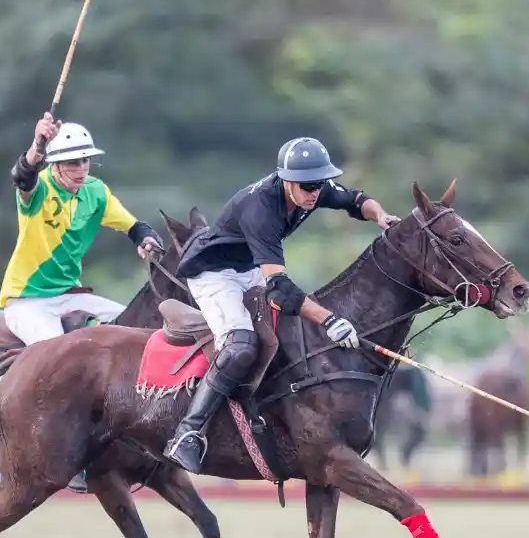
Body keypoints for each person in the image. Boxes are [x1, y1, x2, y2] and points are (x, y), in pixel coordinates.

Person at [162, 137, 400, 474]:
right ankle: (187, 432)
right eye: (306, 187)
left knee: (290, 336)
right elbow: (280, 291)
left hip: (248, 267)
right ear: (286, 180)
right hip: (216, 274)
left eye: (318, 184)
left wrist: (381, 216)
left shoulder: (313, 186)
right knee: (241, 345)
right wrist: (329, 319)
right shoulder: (261, 209)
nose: (313, 193)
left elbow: (355, 200)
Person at [0, 112, 166, 492]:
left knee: (130, 330)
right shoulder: (38, 191)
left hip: (70, 294)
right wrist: (37, 146)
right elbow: (21, 176)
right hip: (27, 300)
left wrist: (146, 242)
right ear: (55, 165)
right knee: (59, 360)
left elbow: (135, 226)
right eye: (72, 162)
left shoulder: (96, 193)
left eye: (85, 160)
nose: (81, 168)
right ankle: (61, 454)